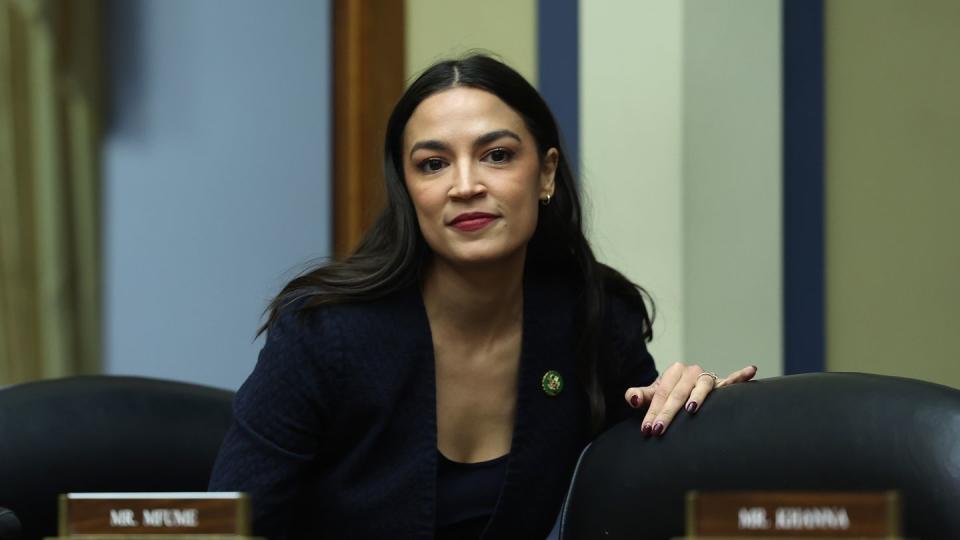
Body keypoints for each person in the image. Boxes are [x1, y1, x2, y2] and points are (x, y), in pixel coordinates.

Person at [208, 54, 757, 539]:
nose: (465, 184)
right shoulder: (324, 334)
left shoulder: (593, 315)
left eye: (496, 155)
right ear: (407, 191)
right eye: (433, 163)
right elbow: (230, 527)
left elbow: (639, 498)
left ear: (544, 174)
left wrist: (699, 422)